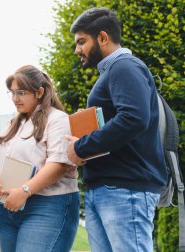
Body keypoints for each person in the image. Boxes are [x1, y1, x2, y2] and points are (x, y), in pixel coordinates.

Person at [66, 7, 168, 252]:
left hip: (125, 189)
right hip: (109, 188)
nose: (77, 49)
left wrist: (80, 147)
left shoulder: (124, 66)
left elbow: (133, 118)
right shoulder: (114, 71)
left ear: (102, 37)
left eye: (81, 41)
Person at [0, 65, 79, 252]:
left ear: (39, 92)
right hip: (8, 207)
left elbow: (59, 164)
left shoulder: (58, 120)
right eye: (12, 93)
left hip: (47, 206)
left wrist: (25, 191)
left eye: (21, 92)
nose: (15, 99)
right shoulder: (13, 124)